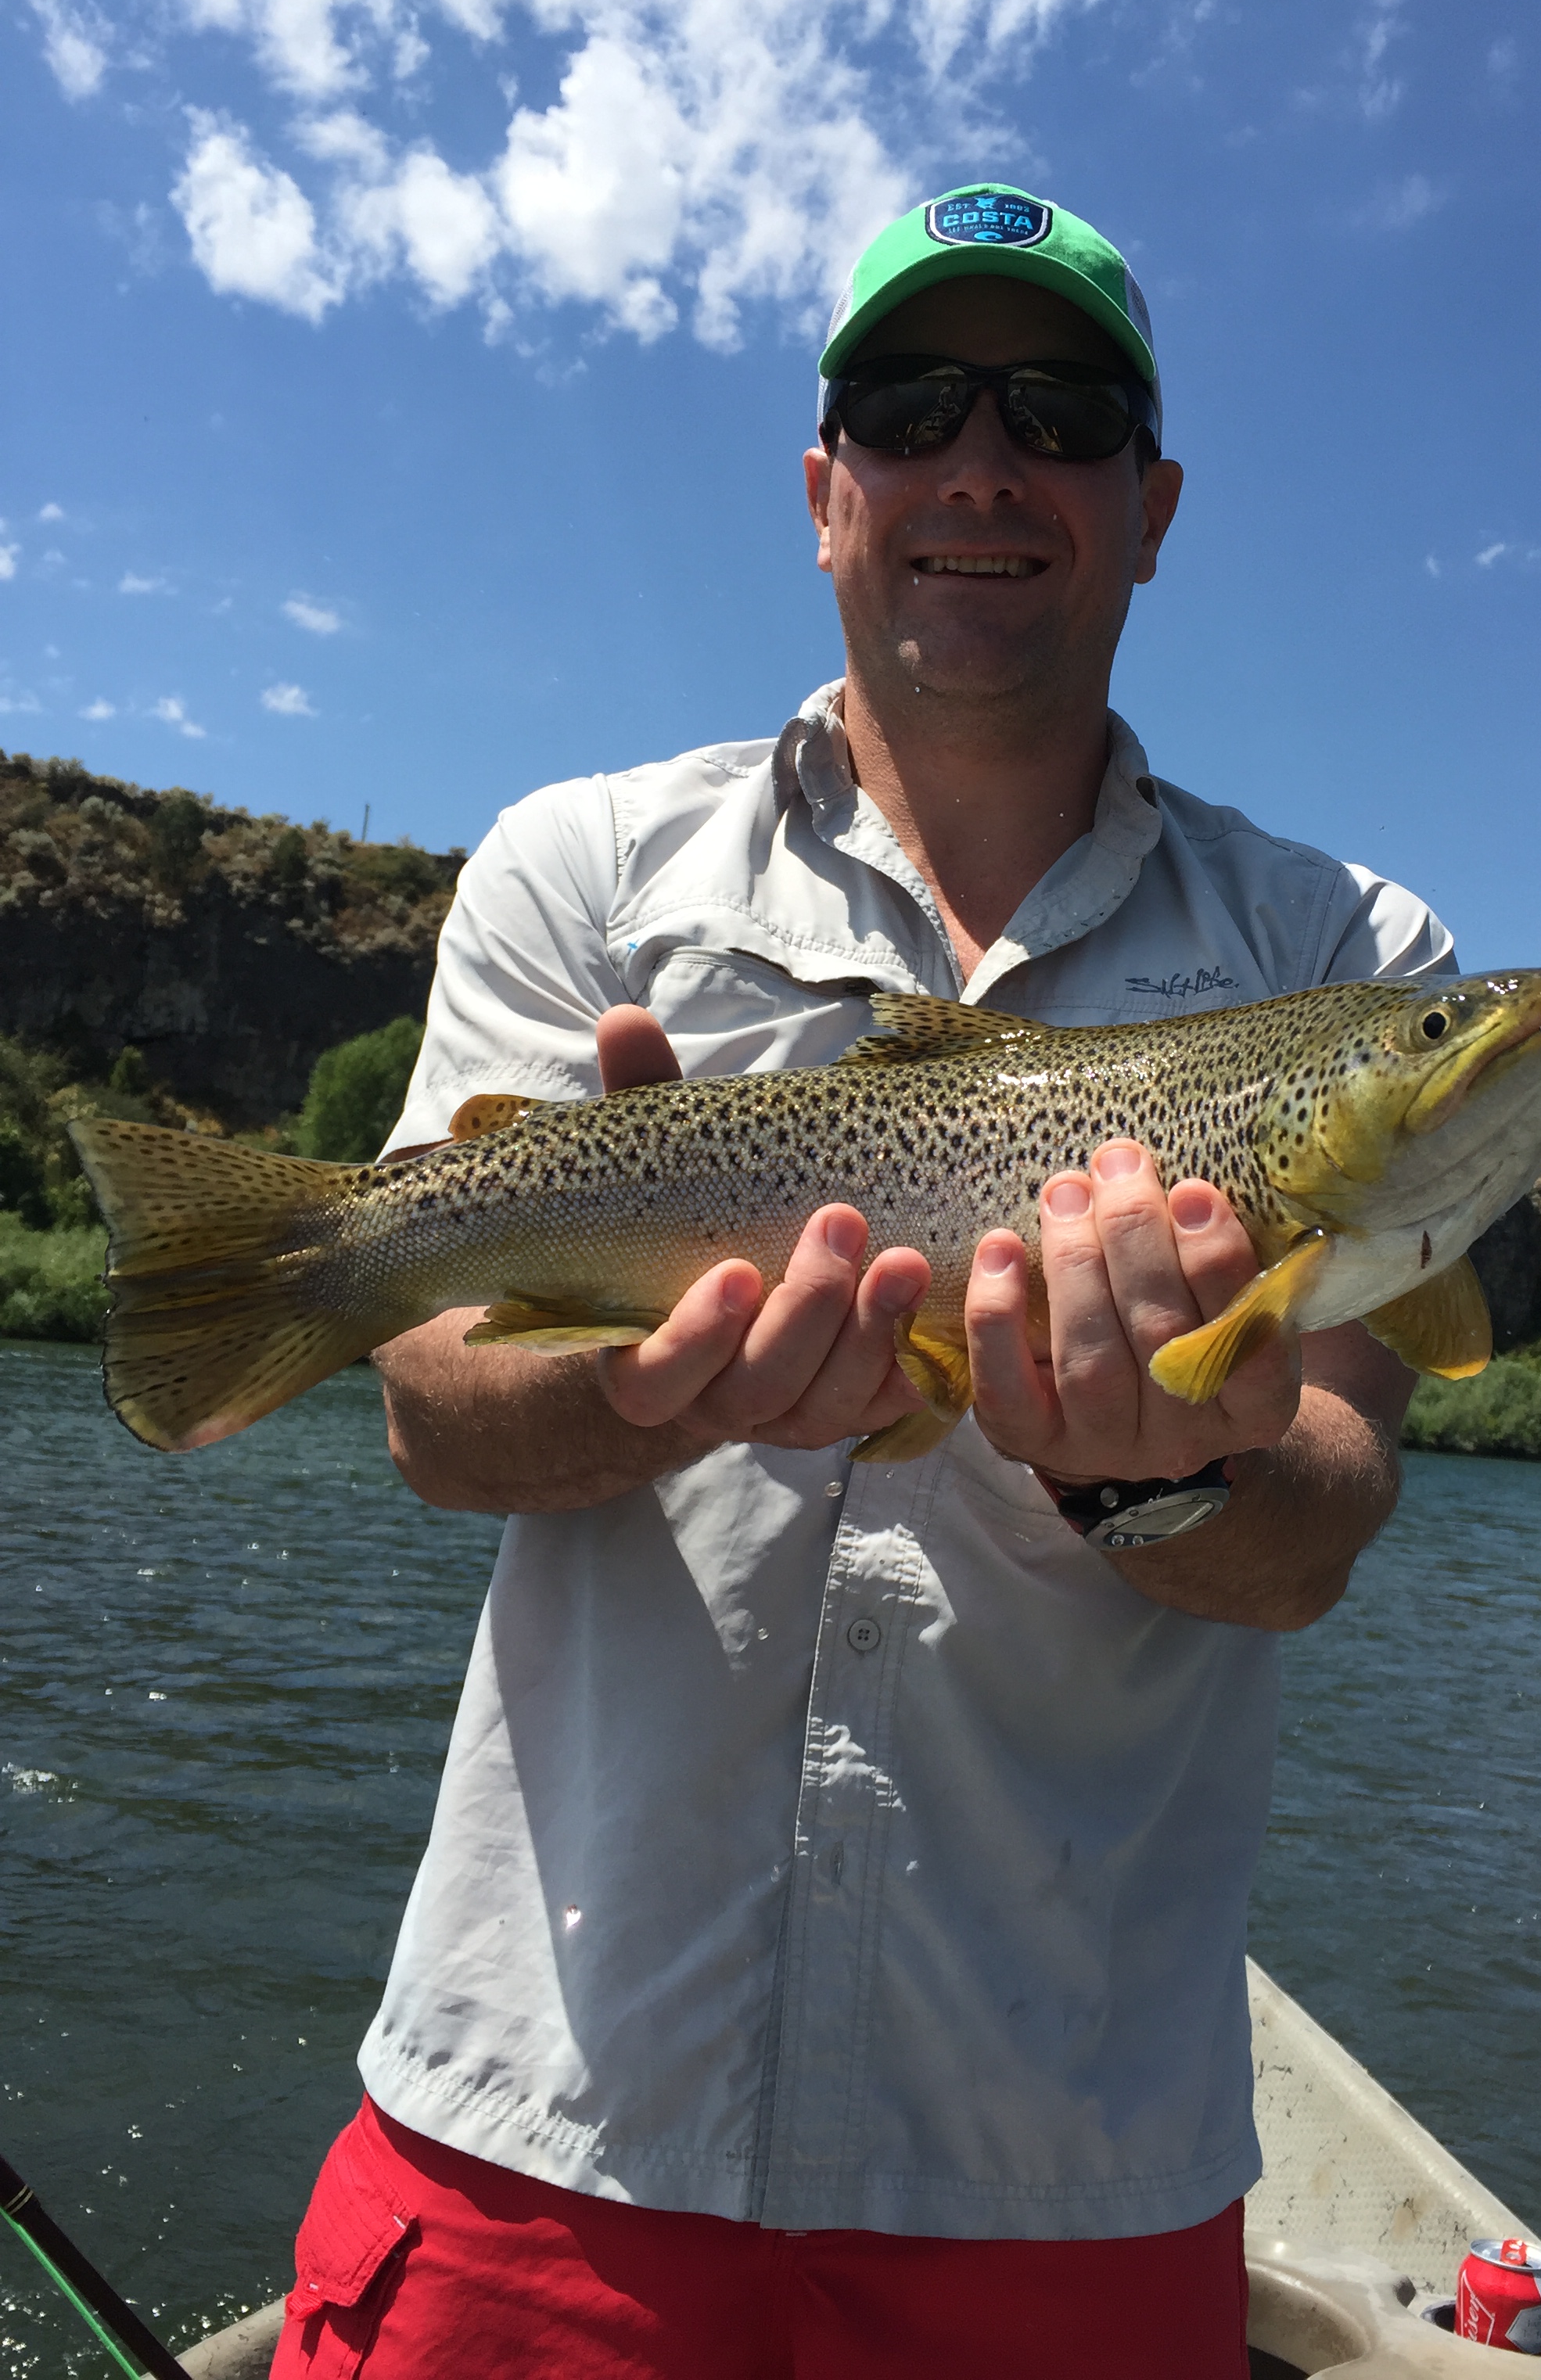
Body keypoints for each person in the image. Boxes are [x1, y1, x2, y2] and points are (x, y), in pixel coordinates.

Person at [271, 184, 1454, 2380]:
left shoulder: (1351, 964)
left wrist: (1171, 1467)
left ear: (1152, 505)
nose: (983, 462)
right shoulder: (582, 869)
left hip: (1066, 2182)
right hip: (550, 2133)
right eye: (913, 406)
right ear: (829, 491)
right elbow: (432, 1405)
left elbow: (1323, 1518)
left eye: (1062, 411)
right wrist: (655, 1389)